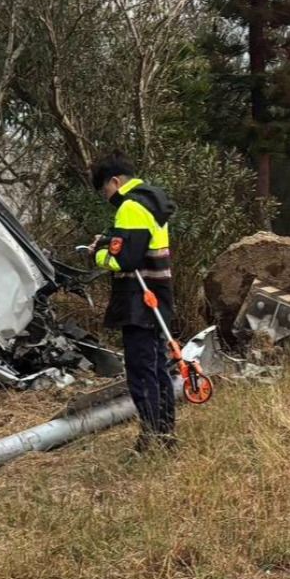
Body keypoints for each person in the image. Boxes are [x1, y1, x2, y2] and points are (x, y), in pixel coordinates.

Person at [88, 151, 179, 453]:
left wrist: (98, 256)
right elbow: (138, 245)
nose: (106, 198)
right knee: (157, 367)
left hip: (138, 302)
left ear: (115, 181)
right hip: (158, 297)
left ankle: (151, 438)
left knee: (141, 372)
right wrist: (111, 241)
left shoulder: (129, 207)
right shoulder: (153, 203)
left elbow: (125, 259)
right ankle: (165, 434)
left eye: (105, 191)